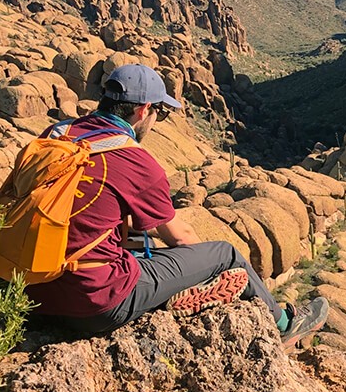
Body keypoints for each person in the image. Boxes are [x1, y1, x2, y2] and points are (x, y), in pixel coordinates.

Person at [24, 63, 327, 346]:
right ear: (143, 111)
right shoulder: (132, 159)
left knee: (140, 248)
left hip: (29, 293)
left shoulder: (55, 136)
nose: (158, 121)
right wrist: (197, 269)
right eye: (160, 113)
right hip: (94, 304)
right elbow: (181, 238)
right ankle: (284, 324)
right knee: (225, 254)